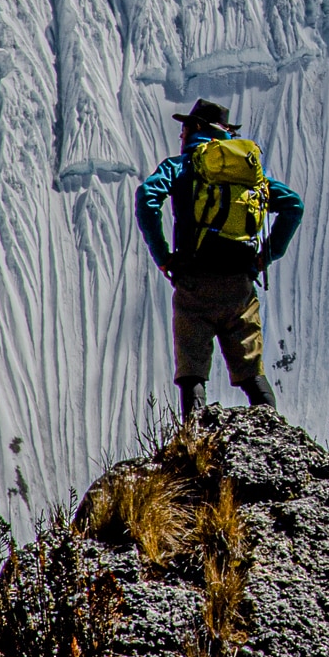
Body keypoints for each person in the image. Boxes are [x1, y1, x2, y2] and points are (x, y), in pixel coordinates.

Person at [135, 99, 304, 419]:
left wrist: (163, 257)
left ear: (198, 128)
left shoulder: (181, 166)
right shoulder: (248, 172)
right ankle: (274, 439)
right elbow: (293, 205)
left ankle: (195, 444)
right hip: (240, 287)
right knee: (252, 374)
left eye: (184, 128)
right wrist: (264, 257)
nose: (181, 135)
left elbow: (147, 198)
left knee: (193, 374)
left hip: (194, 284)